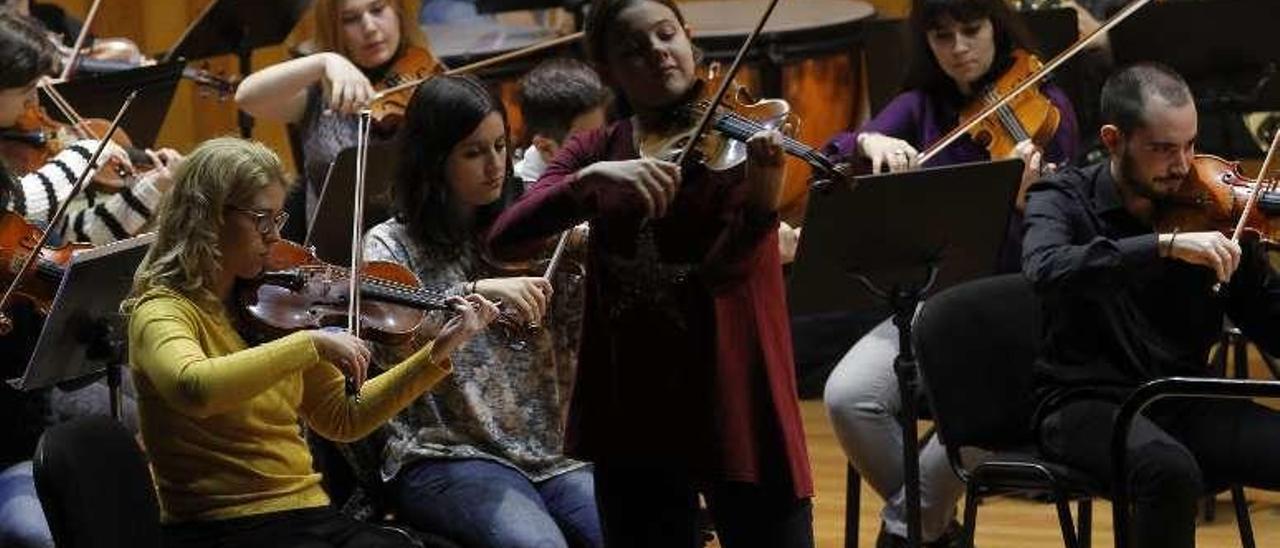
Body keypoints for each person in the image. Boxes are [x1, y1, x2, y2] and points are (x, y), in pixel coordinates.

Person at [487, 0, 814, 546]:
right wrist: (592, 180)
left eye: (666, 36)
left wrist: (762, 203)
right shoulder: (599, 148)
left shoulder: (738, 149)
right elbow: (505, 239)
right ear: (609, 72)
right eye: (634, 50)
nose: (658, 53)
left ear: (688, 38)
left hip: (733, 382)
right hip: (635, 397)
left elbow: (722, 278)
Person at [124, 137, 497, 548]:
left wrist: (434, 356)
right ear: (208, 216)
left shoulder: (267, 310)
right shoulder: (161, 311)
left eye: (277, 220)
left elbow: (343, 417)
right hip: (222, 528)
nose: (273, 236)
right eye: (260, 219)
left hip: (304, 516)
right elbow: (193, 388)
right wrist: (311, 344)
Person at [819, 0, 1080, 545]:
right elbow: (834, 152)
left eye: (970, 30)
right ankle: (936, 532)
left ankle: (906, 532)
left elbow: (1067, 236)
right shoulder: (921, 107)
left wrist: (1036, 204)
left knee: (973, 416)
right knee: (848, 396)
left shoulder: (1048, 106)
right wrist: (868, 141)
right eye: (942, 37)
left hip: (1014, 318)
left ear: (997, 28)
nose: (958, 48)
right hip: (932, 305)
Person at [1022, 62, 1280, 548]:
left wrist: (1254, 263)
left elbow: (1272, 324)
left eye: (1189, 144)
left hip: (1181, 398)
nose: (1183, 164)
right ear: (1114, 139)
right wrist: (1162, 244)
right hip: (1084, 405)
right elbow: (1046, 268)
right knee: (1168, 471)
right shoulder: (1060, 197)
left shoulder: (1215, 211)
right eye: (1162, 149)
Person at [361, 73, 600, 548]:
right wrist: (474, 289)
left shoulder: (533, 223)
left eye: (500, 147)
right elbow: (393, 339)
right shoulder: (390, 243)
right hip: (446, 453)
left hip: (551, 455)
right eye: (473, 153)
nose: (495, 167)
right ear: (434, 162)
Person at [0, 11, 179, 547]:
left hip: (24, 394)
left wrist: (150, 189)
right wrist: (83, 155)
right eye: (28, 90)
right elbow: (21, 204)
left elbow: (68, 233)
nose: (36, 107)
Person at [235, 0, 443, 220]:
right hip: (337, 249)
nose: (370, 27)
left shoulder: (427, 76)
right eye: (350, 19)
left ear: (398, 12)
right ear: (334, 30)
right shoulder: (317, 95)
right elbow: (246, 97)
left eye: (377, 10)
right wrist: (324, 61)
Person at [514, 57, 610, 186]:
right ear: (546, 149)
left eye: (605, 137)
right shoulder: (524, 198)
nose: (608, 156)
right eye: (589, 147)